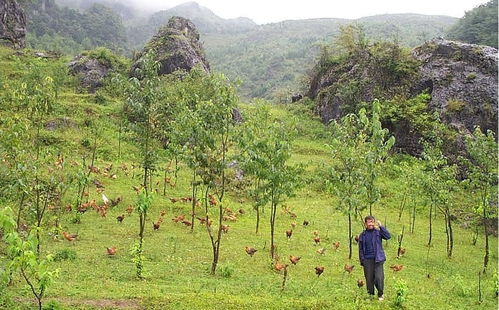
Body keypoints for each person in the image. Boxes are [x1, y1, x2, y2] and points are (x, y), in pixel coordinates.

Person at [358, 215, 391, 301]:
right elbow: (360, 249)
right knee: (369, 279)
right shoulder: (362, 235)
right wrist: (363, 260)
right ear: (365, 224)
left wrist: (381, 226)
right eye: (368, 222)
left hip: (378, 259)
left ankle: (380, 294)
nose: (370, 224)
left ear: (374, 222)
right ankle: (370, 295)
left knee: (379, 277)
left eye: (372, 222)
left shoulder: (378, 232)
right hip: (367, 260)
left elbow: (388, 236)